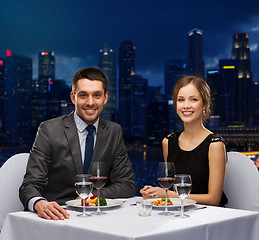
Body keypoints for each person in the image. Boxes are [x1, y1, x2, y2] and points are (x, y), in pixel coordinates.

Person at [19, 67, 137, 220]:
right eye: (83, 95)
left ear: (105, 98)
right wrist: (39, 203)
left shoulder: (114, 131)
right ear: (73, 98)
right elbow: (30, 185)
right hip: (58, 217)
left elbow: (127, 185)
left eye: (97, 95)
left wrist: (91, 197)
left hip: (101, 217)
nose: (90, 102)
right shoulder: (49, 130)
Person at [140, 76, 228, 207]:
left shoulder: (215, 145)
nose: (186, 105)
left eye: (193, 99)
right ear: (176, 106)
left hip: (209, 217)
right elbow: (170, 189)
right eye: (181, 100)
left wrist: (166, 194)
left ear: (204, 104)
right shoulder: (168, 142)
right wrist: (153, 194)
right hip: (177, 214)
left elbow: (213, 199)